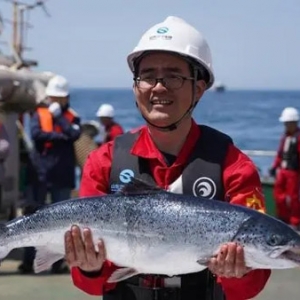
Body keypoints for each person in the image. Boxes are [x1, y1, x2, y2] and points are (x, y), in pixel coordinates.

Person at [64, 16, 271, 300]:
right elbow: (88, 284)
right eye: (148, 76)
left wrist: (239, 271)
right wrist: (89, 267)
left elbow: (252, 285)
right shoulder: (104, 162)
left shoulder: (233, 166)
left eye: (173, 76)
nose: (159, 87)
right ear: (136, 87)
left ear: (199, 88)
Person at [18, 74, 81, 274]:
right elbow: (36, 135)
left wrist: (59, 120)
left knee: (62, 222)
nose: (55, 101)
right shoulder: (38, 114)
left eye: (59, 97)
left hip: (61, 176)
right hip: (40, 174)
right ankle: (29, 261)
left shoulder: (71, 117)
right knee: (33, 219)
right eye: (52, 97)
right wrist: (60, 136)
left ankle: (57, 262)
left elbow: (74, 135)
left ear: (66, 98)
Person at [269, 107, 300, 229]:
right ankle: (282, 218)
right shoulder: (285, 137)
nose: (286, 126)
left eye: (288, 123)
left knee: (293, 198)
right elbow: (280, 154)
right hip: (282, 171)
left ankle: (295, 222)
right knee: (278, 195)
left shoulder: (298, 138)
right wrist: (274, 167)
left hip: (293, 172)